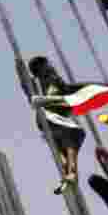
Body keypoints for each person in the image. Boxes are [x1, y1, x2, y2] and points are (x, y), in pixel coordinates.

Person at [28, 56, 86, 194]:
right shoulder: (51, 80)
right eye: (47, 65)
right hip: (53, 116)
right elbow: (65, 93)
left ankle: (67, 175)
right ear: (41, 67)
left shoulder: (35, 83)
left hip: (45, 119)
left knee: (60, 147)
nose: (50, 66)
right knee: (70, 143)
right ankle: (71, 172)